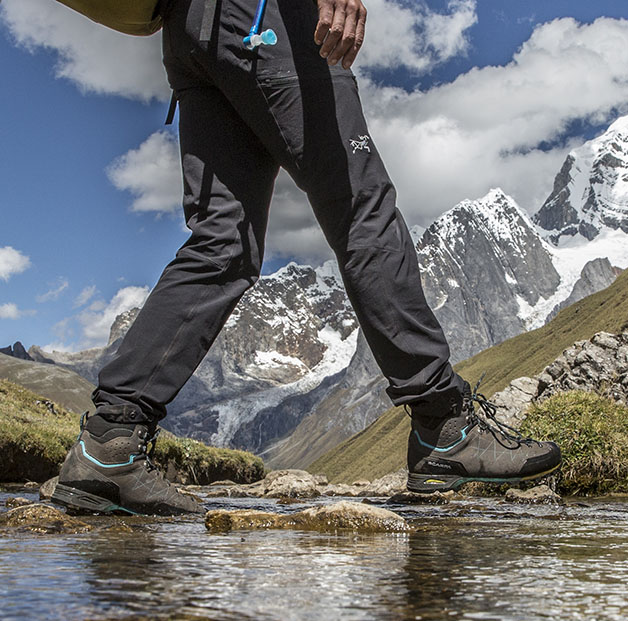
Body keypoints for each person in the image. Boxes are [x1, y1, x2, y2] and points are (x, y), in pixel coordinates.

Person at [50, 0, 561, 516]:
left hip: (193, 30)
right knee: (362, 206)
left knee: (222, 243)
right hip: (266, 18)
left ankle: (109, 443)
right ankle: (443, 425)